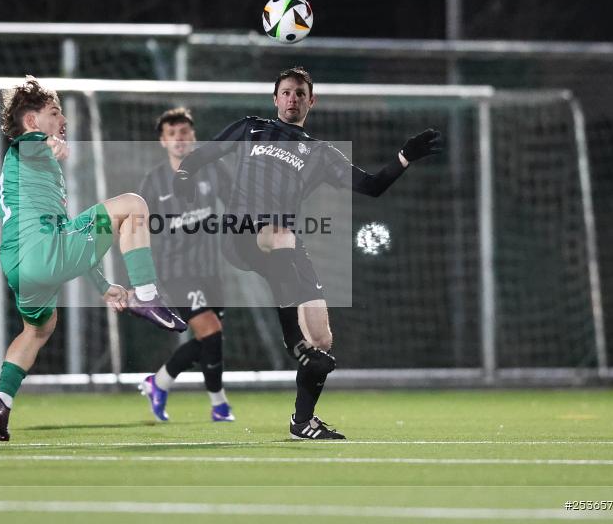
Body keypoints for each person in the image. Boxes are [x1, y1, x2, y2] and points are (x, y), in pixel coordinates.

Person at [172, 67, 442, 440]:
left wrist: (404, 157)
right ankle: (292, 343)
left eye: (300, 93)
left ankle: (302, 421)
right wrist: (183, 183)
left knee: (322, 340)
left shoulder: (320, 154)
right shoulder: (250, 128)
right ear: (275, 99)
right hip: (243, 234)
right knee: (281, 238)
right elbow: (195, 161)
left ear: (311, 101)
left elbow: (372, 186)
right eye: (285, 92)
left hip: (284, 246)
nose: (292, 99)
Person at [0, 76, 187, 442]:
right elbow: (31, 145)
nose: (62, 119)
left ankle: (1, 402)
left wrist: (103, 285)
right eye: (54, 111)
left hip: (18, 265)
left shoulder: (32, 171)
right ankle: (146, 293)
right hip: (43, 250)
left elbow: (69, 234)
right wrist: (46, 142)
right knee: (133, 205)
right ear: (32, 121)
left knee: (39, 329)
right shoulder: (27, 147)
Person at [137, 107, 235, 422]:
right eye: (172, 134)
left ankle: (160, 382)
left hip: (211, 269)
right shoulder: (153, 182)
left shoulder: (212, 170)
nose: (179, 139)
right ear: (163, 142)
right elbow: (136, 228)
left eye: (185, 133)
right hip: (175, 271)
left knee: (210, 337)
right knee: (211, 329)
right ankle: (219, 406)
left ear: (193, 138)